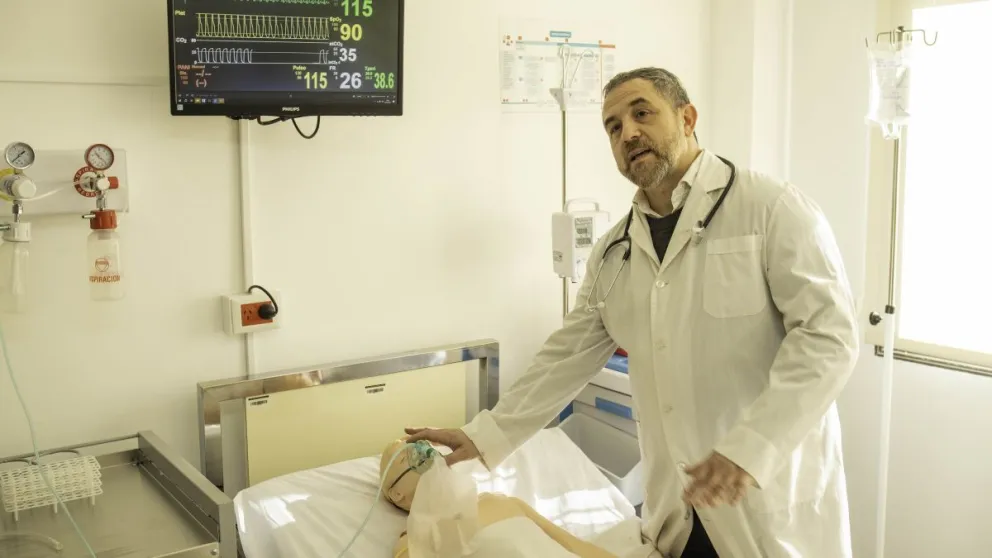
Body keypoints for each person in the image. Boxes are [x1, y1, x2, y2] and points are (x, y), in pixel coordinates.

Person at [407, 67, 859, 557]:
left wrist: (751, 448)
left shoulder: (771, 209)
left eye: (642, 113)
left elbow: (829, 338)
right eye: (613, 126)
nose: (628, 133)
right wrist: (482, 435)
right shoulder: (613, 252)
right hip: (680, 509)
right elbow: (565, 358)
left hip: (765, 497)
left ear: (687, 118)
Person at [380, 437, 620, 558]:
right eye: (404, 456)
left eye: (421, 445)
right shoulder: (412, 545)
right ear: (396, 493)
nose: (423, 449)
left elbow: (580, 548)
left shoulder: (501, 501)